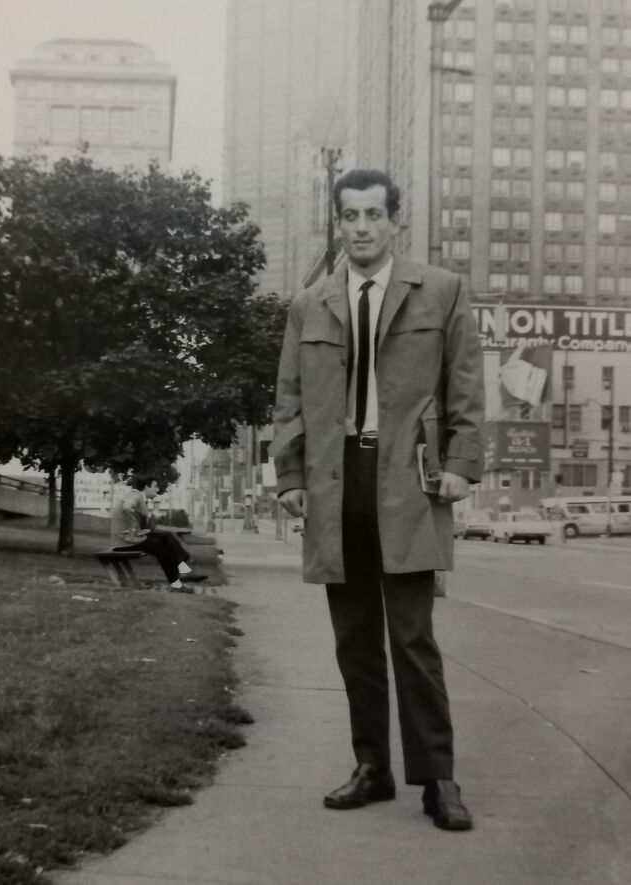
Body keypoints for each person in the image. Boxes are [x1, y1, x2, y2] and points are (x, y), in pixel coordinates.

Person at [271, 169, 484, 830]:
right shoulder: (310, 304)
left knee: (413, 638)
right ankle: (373, 766)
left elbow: (465, 387)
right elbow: (289, 399)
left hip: (409, 480)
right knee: (355, 641)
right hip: (337, 483)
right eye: (350, 215)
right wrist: (290, 475)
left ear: (395, 221)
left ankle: (438, 777)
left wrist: (461, 466)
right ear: (339, 223)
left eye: (373, 214)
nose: (361, 227)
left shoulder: (441, 291)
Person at [111, 473, 205, 590]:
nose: (157, 489)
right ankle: (181, 575)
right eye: (155, 486)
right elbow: (127, 507)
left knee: (166, 540)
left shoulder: (142, 501)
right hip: (124, 542)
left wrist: (155, 510)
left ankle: (180, 575)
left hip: (130, 540)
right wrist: (133, 529)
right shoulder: (135, 495)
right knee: (163, 545)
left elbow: (149, 529)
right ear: (146, 486)